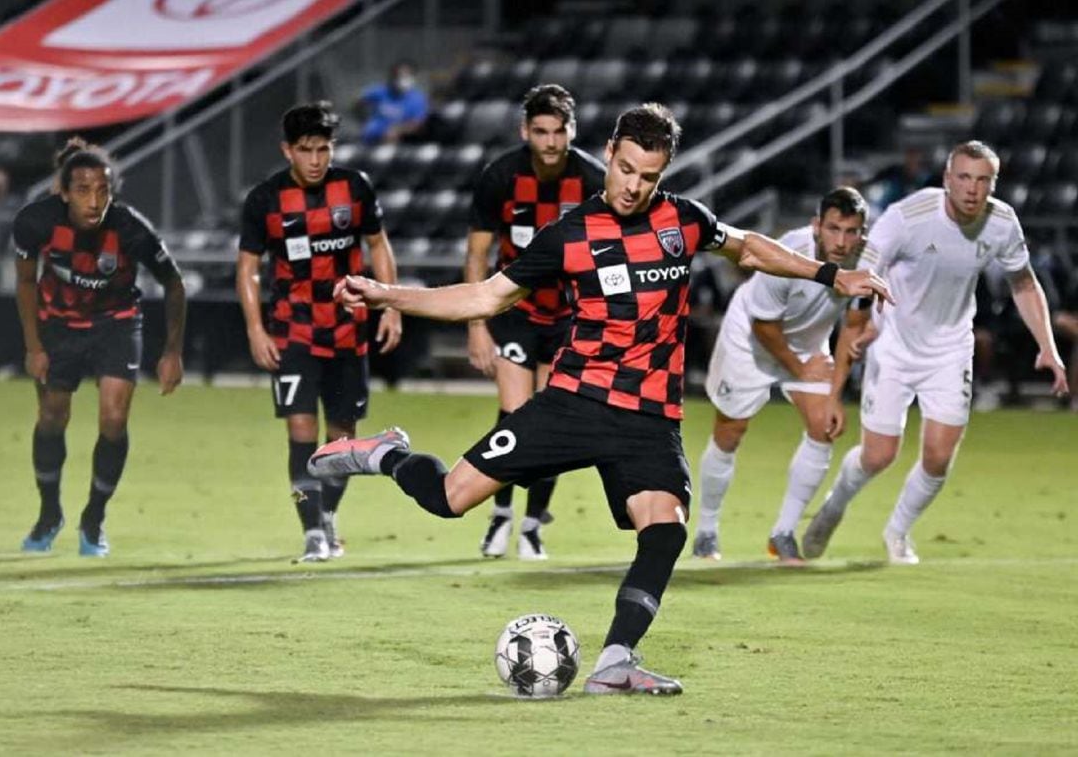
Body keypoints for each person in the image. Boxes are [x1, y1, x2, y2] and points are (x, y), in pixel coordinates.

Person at [307, 104, 892, 694]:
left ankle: (615, 661)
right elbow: (483, 298)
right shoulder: (570, 235)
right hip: (574, 402)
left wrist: (829, 275)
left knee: (665, 528)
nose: (635, 186)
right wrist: (386, 294)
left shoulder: (683, 221)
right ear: (610, 153)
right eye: (628, 169)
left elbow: (748, 248)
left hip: (648, 417)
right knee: (447, 499)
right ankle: (383, 454)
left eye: (650, 176)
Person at [802, 140, 1069, 565]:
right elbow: (863, 274)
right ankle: (834, 506)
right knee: (879, 455)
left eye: (983, 180)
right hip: (895, 345)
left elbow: (1023, 282)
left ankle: (898, 532)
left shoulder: (1002, 223)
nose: (972, 189)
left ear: (992, 185)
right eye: (963, 177)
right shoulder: (908, 218)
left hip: (951, 349)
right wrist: (865, 327)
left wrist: (1048, 348)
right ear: (947, 179)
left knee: (939, 457)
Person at [236, 101, 402, 563]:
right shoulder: (265, 199)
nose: (315, 160)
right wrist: (255, 328)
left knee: (342, 437)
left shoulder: (354, 188)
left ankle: (327, 515)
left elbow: (378, 246)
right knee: (301, 430)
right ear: (287, 149)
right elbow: (248, 268)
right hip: (293, 332)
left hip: (349, 331)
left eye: (324, 149)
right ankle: (311, 529)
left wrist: (390, 307)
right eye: (306, 150)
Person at [14, 138, 186, 557]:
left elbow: (174, 283)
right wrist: (33, 346)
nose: (95, 201)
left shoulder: (130, 228)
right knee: (53, 417)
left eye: (103, 190)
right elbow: (23, 282)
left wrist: (172, 351)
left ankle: (94, 518)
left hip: (116, 325)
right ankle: (50, 513)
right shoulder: (36, 221)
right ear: (64, 191)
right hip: (57, 326)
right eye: (84, 190)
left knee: (113, 417)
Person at [692, 187, 870, 564]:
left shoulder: (868, 263)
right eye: (834, 229)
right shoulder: (790, 253)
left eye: (851, 231)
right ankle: (706, 532)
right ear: (816, 225)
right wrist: (800, 367)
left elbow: (853, 327)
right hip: (751, 337)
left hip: (807, 343)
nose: (841, 241)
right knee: (729, 432)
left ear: (862, 234)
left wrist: (835, 394)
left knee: (824, 426)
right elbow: (764, 327)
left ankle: (783, 533)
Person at [465, 84, 605, 560]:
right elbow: (478, 253)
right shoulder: (500, 175)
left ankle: (530, 526)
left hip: (569, 317)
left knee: (553, 415)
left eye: (558, 131)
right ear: (525, 131)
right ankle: (500, 515)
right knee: (516, 411)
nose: (549, 141)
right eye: (540, 131)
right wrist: (476, 323)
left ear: (571, 131)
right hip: (514, 311)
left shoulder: (591, 179)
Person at [358, 61, 429, 146]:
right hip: (369, 139)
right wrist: (364, 120)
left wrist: (398, 130)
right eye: (399, 76)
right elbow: (358, 102)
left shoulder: (417, 99)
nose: (403, 79)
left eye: (406, 76)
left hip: (395, 142)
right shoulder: (380, 91)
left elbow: (418, 123)